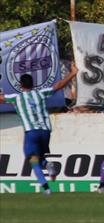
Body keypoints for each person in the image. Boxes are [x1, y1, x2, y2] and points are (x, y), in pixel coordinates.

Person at [0, 63, 78, 195]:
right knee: (39, 156)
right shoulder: (40, 94)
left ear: (21, 85)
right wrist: (72, 73)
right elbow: (58, 86)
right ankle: (47, 165)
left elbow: (1, 98)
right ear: (32, 84)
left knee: (32, 159)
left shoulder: (17, 98)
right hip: (46, 131)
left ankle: (46, 188)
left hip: (31, 132)